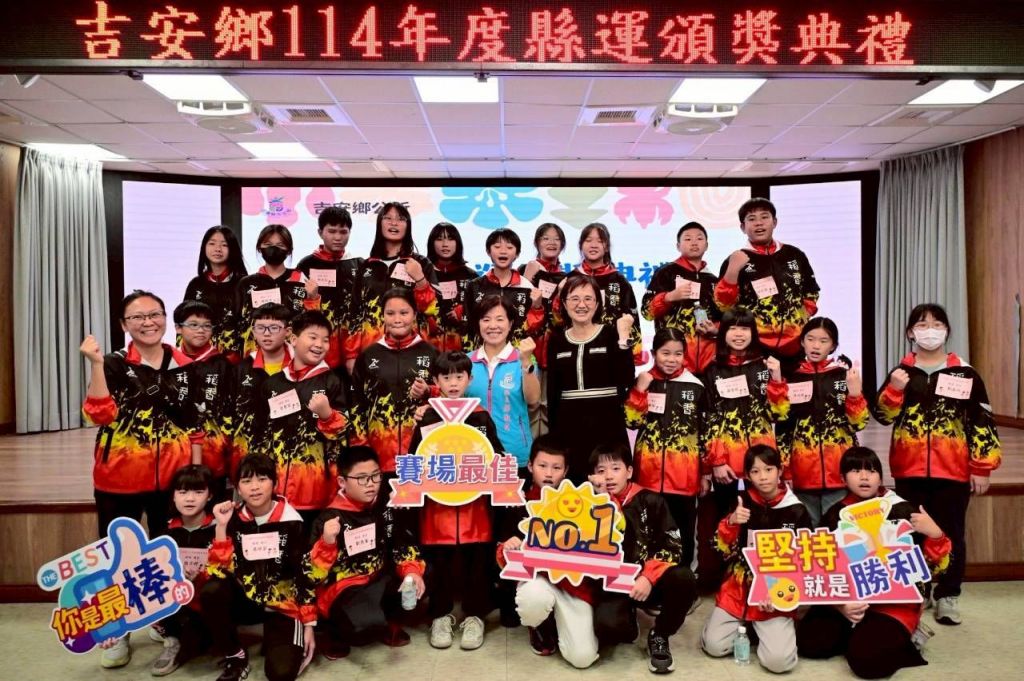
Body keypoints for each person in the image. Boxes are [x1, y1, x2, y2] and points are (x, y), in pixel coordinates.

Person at [874, 303, 1001, 625]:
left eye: (936, 324)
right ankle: (919, 588)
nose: (929, 330)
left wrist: (982, 467)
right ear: (910, 332)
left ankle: (948, 594)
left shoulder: (965, 374)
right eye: (922, 324)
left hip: (952, 469)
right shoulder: (902, 373)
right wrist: (894, 389)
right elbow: (882, 416)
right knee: (910, 531)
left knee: (951, 533)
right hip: (908, 469)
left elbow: (981, 420)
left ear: (946, 330)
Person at [796, 447, 952, 679]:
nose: (864, 477)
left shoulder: (902, 510)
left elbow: (936, 566)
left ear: (881, 477)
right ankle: (861, 632)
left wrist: (936, 534)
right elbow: (824, 566)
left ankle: (902, 638)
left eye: (871, 471)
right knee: (809, 643)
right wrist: (841, 605)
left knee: (867, 664)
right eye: (855, 471)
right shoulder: (836, 514)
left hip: (893, 603)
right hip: (851, 599)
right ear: (842, 478)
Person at [80, 290, 203, 541]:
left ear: (165, 318)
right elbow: (99, 416)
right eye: (137, 317)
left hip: (173, 479)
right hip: (120, 478)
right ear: (124, 325)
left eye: (155, 314)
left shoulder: (185, 366)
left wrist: (196, 474)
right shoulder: (113, 364)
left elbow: (194, 425)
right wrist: (96, 365)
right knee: (119, 552)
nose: (148, 322)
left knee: (170, 550)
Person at [408, 351, 508, 651]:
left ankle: (475, 616)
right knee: (438, 565)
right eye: (446, 377)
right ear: (436, 381)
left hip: (475, 509)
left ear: (469, 379)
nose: (453, 383)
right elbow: (415, 460)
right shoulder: (428, 416)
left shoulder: (480, 416)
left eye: (459, 377)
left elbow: (496, 456)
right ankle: (440, 616)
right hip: (436, 510)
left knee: (478, 565)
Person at [201, 455, 317, 681]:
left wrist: (309, 624)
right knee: (212, 590)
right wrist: (221, 527)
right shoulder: (232, 519)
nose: (254, 487)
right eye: (246, 481)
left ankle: (277, 638)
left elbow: (304, 574)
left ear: (275, 483)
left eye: (262, 479)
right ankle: (235, 655)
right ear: (238, 488)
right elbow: (217, 570)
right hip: (246, 599)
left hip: (281, 606)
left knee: (281, 673)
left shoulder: (292, 521)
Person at [697, 308, 788, 592]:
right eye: (732, 328)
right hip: (726, 464)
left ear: (753, 332)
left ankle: (763, 578)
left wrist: (777, 378)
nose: (738, 334)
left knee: (762, 518)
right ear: (723, 333)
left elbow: (779, 413)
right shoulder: (713, 370)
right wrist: (716, 461)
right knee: (727, 521)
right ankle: (726, 581)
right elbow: (708, 418)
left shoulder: (765, 366)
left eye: (744, 328)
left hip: (761, 463)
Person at [306, 446, 426, 660]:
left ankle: (389, 623)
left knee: (423, 575)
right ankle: (335, 633)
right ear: (342, 482)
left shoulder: (386, 504)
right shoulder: (329, 518)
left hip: (378, 578)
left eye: (375, 476)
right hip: (344, 589)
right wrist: (326, 543)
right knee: (364, 628)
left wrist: (411, 572)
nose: (371, 484)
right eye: (361, 478)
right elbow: (311, 576)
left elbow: (401, 542)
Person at [700, 444, 811, 674]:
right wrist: (731, 522)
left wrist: (780, 592)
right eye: (755, 471)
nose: (763, 477)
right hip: (739, 587)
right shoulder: (741, 502)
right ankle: (749, 627)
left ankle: (764, 630)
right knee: (714, 646)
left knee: (778, 663)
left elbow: (805, 562)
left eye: (769, 469)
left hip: (776, 590)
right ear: (748, 476)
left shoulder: (797, 510)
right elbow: (720, 548)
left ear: (780, 471)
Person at [590, 444, 698, 675]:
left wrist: (648, 577)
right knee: (608, 628)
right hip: (612, 584)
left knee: (684, 578)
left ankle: (660, 634)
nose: (608, 476)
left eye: (615, 468)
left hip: (648, 580)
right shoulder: (588, 502)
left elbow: (673, 546)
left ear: (629, 471)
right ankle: (628, 621)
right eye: (601, 471)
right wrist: (600, 500)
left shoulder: (651, 500)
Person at [497, 435, 599, 668]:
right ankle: (540, 625)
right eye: (542, 466)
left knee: (582, 658)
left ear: (566, 471)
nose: (549, 473)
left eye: (556, 467)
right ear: (530, 466)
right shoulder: (517, 501)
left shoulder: (580, 501)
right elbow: (501, 554)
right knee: (532, 600)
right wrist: (508, 547)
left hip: (573, 584)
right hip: (537, 579)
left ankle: (561, 624)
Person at [248, 311, 349, 524]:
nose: (319, 344)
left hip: (316, 488)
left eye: (325, 340)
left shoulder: (333, 381)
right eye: (313, 337)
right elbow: (259, 433)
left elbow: (345, 435)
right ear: (293, 339)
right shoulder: (273, 383)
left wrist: (327, 416)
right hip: (273, 490)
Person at [625, 328, 710, 568]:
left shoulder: (695, 386)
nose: (671, 359)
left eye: (678, 354)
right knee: (650, 532)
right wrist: (639, 390)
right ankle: (651, 579)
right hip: (647, 475)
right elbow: (632, 422)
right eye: (665, 353)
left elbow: (705, 432)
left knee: (682, 533)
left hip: (684, 477)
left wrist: (705, 473)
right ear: (654, 353)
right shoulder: (644, 381)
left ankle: (684, 578)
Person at [778, 317, 869, 525]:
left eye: (823, 341)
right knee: (807, 529)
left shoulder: (843, 376)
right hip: (802, 469)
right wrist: (786, 468)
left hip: (839, 469)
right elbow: (783, 426)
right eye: (810, 339)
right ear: (802, 342)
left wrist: (855, 394)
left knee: (839, 527)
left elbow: (859, 423)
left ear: (833, 346)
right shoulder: (791, 378)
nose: (816, 346)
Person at [547, 274, 635, 482]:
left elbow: (626, 379)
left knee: (609, 485)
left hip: (608, 425)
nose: (581, 305)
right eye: (574, 299)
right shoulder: (557, 340)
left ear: (597, 303)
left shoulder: (611, 334)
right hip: (569, 428)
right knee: (574, 487)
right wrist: (554, 437)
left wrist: (624, 340)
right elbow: (553, 393)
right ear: (564, 304)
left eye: (588, 299)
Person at [714, 198, 819, 363]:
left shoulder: (794, 254)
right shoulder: (736, 259)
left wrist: (801, 318)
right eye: (752, 219)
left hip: (795, 346)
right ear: (743, 227)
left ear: (774, 222)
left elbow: (811, 291)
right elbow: (724, 306)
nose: (759, 223)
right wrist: (733, 270)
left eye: (764, 217)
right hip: (755, 348)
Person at [344, 202, 439, 374]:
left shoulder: (420, 263)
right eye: (388, 218)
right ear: (379, 223)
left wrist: (420, 279)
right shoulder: (367, 266)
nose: (394, 223)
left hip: (413, 352)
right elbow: (355, 313)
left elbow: (434, 310)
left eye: (400, 219)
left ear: (408, 226)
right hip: (372, 352)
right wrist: (351, 355)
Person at [350, 288, 438, 474]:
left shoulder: (431, 354)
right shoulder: (368, 355)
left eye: (404, 313)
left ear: (415, 315)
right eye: (390, 313)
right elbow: (357, 404)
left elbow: (447, 395)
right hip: (378, 455)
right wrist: (361, 448)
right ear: (382, 316)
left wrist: (429, 391)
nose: (397, 319)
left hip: (422, 453)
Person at [151, 464, 217, 676]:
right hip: (177, 602)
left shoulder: (219, 527)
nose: (190, 499)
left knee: (201, 642)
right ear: (173, 496)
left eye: (198, 492)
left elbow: (228, 567)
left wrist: (203, 574)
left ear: (209, 495)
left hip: (207, 601)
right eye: (182, 492)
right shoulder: (164, 532)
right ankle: (172, 639)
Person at [467, 295, 540, 473]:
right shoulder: (466, 362)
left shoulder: (524, 359)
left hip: (514, 454)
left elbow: (533, 400)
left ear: (510, 323)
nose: (493, 326)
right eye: (486, 319)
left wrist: (526, 363)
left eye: (500, 319)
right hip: (473, 452)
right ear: (478, 324)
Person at [225, 303, 293, 481]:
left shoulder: (301, 367)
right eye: (260, 328)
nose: (267, 333)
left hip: (289, 463)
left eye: (274, 328)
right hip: (248, 463)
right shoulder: (240, 370)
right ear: (253, 332)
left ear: (288, 331)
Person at [174, 301, 234, 499]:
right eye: (193, 325)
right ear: (178, 328)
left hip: (213, 454)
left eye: (207, 326)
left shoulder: (223, 365)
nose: (201, 330)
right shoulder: (168, 362)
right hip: (175, 454)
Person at [642, 221, 720, 373]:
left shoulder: (713, 280)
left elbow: (722, 318)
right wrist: (668, 297)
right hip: (674, 363)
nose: (694, 243)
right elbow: (647, 312)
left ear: (706, 245)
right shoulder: (666, 272)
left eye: (699, 238)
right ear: (678, 246)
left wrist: (715, 329)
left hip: (709, 362)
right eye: (688, 239)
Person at [561, 223, 644, 365]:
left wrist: (634, 354)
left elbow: (631, 318)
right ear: (581, 245)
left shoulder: (619, 280)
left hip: (612, 350)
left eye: (599, 241)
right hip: (576, 349)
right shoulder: (570, 279)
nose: (593, 245)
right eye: (588, 240)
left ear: (606, 247)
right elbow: (559, 319)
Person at [237, 224, 320, 357]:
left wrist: (313, 299)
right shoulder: (246, 284)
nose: (274, 249)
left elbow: (313, 324)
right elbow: (238, 324)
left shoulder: (302, 281)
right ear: (259, 248)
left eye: (280, 245)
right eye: (268, 244)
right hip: (255, 357)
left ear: (289, 250)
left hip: (294, 357)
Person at [296, 206, 364, 370]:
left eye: (343, 232)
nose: (338, 237)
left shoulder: (359, 264)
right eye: (332, 231)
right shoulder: (306, 265)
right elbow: (297, 311)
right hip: (320, 350)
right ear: (320, 232)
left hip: (354, 350)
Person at [518, 223, 568, 436]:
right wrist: (527, 279)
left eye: (556, 239)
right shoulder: (523, 271)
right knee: (529, 404)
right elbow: (516, 309)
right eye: (546, 238)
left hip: (555, 349)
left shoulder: (567, 277)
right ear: (537, 242)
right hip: (528, 349)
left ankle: (545, 452)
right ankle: (527, 452)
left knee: (549, 406)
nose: (551, 243)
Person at [461, 228, 544, 351]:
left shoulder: (527, 288)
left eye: (509, 247)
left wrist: (537, 308)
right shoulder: (475, 286)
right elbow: (467, 325)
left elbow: (532, 329)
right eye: (497, 247)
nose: (503, 251)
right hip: (482, 354)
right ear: (488, 251)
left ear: (517, 253)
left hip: (516, 355)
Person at [183, 225, 248, 363]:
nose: (217, 249)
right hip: (201, 358)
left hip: (236, 359)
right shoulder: (195, 284)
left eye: (224, 245)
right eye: (212, 243)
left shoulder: (244, 284)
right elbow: (184, 321)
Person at [425, 222, 477, 353]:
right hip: (429, 344)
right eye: (439, 239)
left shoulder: (471, 276)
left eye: (450, 239)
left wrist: (463, 311)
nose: (445, 244)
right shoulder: (423, 274)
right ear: (431, 243)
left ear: (457, 243)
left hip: (462, 347)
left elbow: (483, 308)